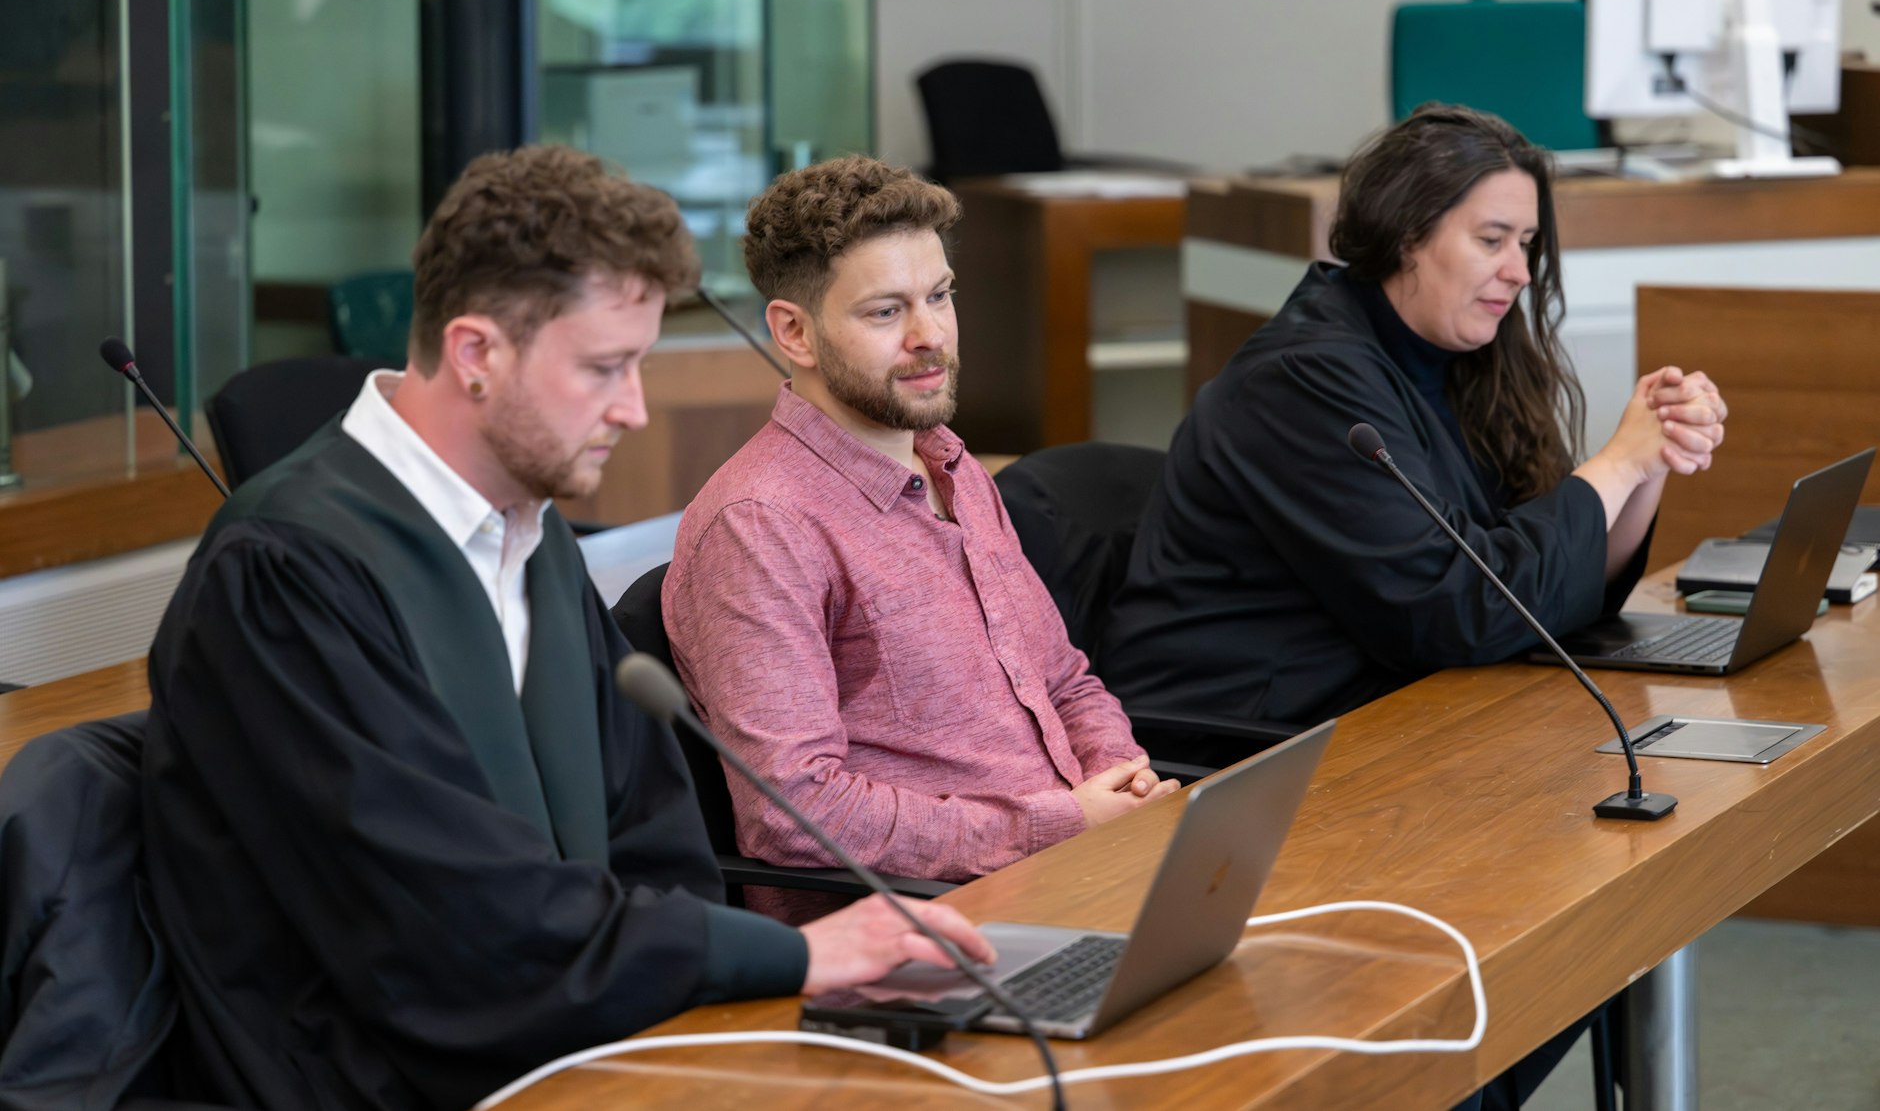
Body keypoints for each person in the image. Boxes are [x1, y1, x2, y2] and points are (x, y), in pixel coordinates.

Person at [140, 145, 991, 1111]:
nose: (632, 409)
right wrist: (789, 952)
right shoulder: (286, 571)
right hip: (382, 1079)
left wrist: (720, 1011)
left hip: (582, 1039)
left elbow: (653, 836)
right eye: (603, 368)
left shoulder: (527, 531)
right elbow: (448, 916)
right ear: (476, 355)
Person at [1103, 104, 1729, 755]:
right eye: (1492, 240)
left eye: (1527, 243)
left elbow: (1545, 580)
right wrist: (1616, 466)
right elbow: (1458, 607)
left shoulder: (1464, 357)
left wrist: (1653, 456)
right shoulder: (1303, 378)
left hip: (1388, 708)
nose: (1519, 269)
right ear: (1408, 234)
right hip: (1252, 741)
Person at [662, 155, 1177, 924]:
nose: (929, 335)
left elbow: (1062, 678)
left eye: (940, 296)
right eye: (885, 312)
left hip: (1074, 873)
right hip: (926, 926)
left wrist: (1120, 773)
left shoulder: (950, 460)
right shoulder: (760, 524)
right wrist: (1061, 822)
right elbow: (794, 809)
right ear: (793, 332)